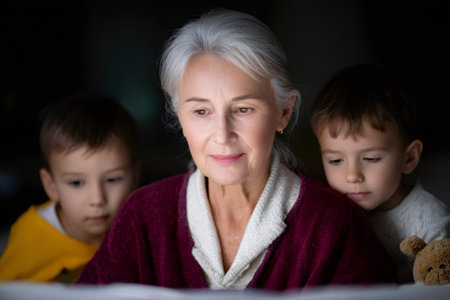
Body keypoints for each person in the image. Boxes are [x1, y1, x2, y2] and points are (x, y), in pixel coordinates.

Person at [76, 9, 395, 290]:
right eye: (201, 111)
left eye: (243, 109)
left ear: (284, 112)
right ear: (180, 119)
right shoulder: (142, 216)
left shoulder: (335, 227)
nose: (222, 134)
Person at [310, 63, 450, 283]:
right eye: (336, 160)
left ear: (409, 158)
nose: (352, 175)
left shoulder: (428, 220)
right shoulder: (333, 210)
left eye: (371, 158)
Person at [0, 93, 141, 283]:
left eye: (113, 179)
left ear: (134, 178)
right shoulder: (31, 237)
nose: (97, 199)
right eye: (76, 183)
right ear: (51, 186)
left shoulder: (137, 227)